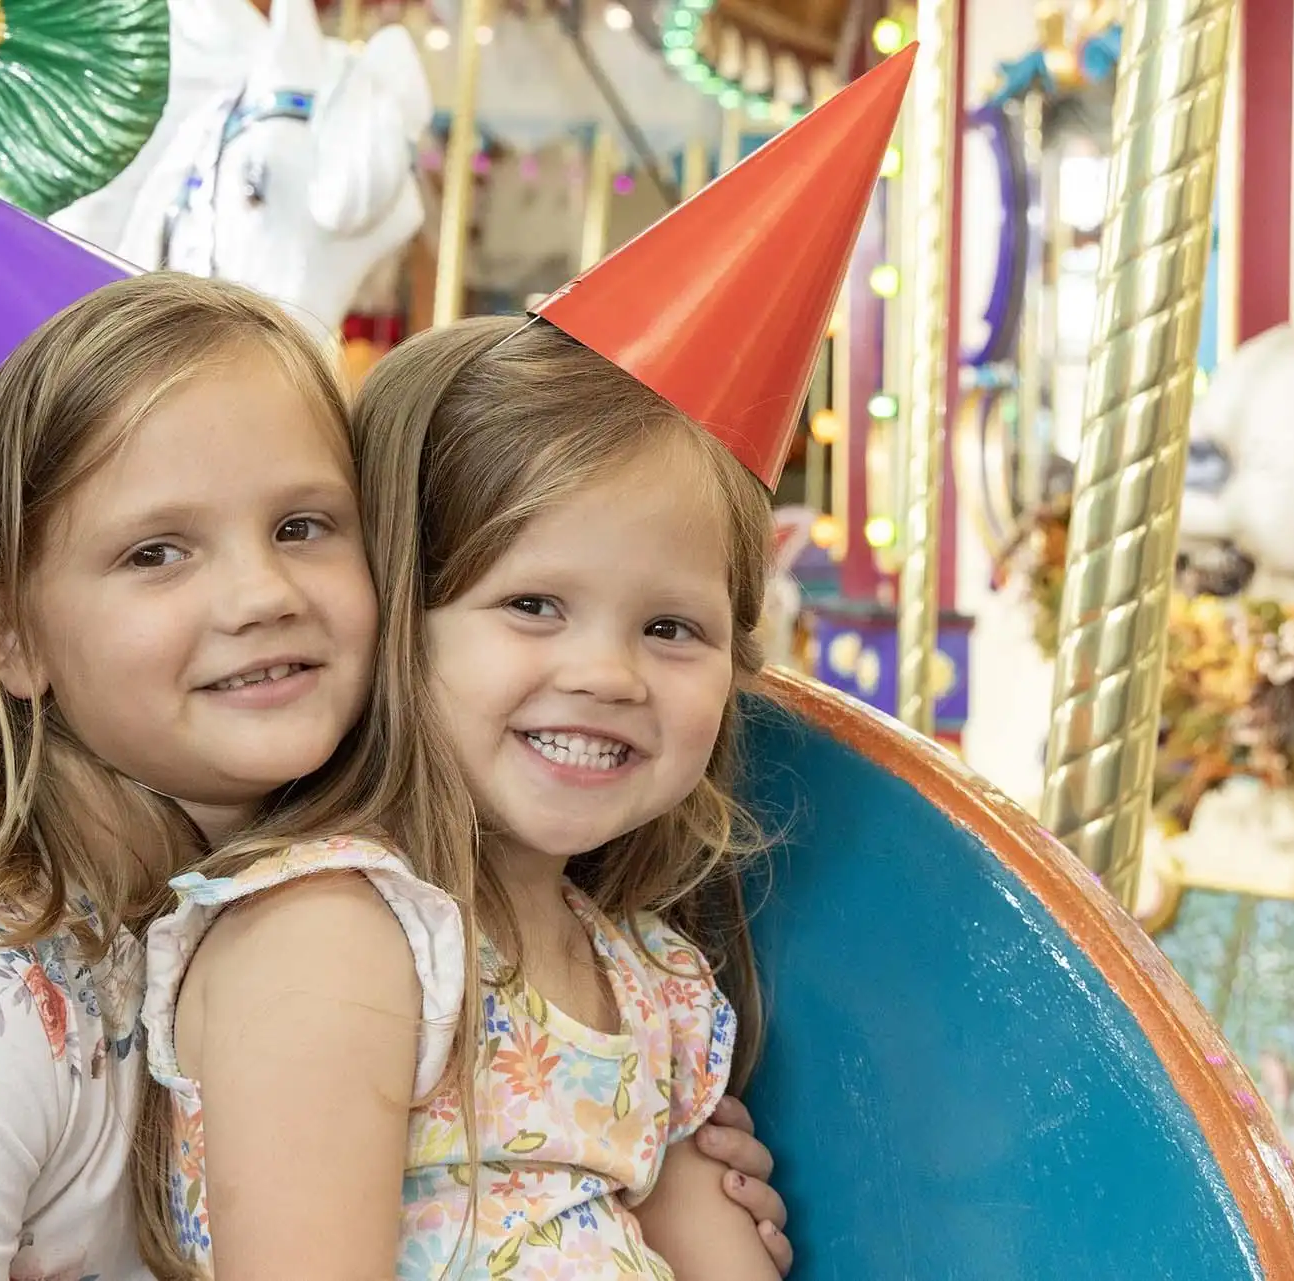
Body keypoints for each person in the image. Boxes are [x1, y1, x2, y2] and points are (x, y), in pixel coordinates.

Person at [0, 106, 792, 1281]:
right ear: (11, 637)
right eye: (155, 552)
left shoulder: (409, 901)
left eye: (301, 526)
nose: (261, 594)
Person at [136, 49, 911, 1280]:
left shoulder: (648, 978)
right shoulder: (336, 936)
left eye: (673, 629)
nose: (608, 672)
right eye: (534, 604)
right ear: (399, 611)